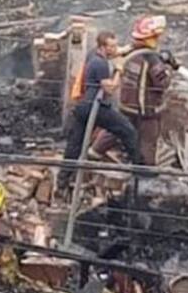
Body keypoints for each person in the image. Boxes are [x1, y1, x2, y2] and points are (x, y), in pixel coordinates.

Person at [57, 30, 141, 191]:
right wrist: (119, 71)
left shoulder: (93, 54)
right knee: (128, 130)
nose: (115, 49)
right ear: (103, 47)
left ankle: (62, 181)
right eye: (112, 46)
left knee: (74, 146)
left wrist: (131, 47)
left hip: (82, 106)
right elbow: (110, 88)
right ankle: (140, 170)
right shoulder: (100, 64)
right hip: (95, 107)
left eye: (116, 45)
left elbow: (116, 53)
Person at [111, 15, 178, 168]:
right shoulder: (152, 59)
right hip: (146, 110)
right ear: (151, 37)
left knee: (115, 130)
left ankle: (93, 153)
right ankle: (146, 173)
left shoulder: (130, 51)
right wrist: (168, 67)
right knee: (148, 141)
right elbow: (162, 83)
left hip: (127, 105)